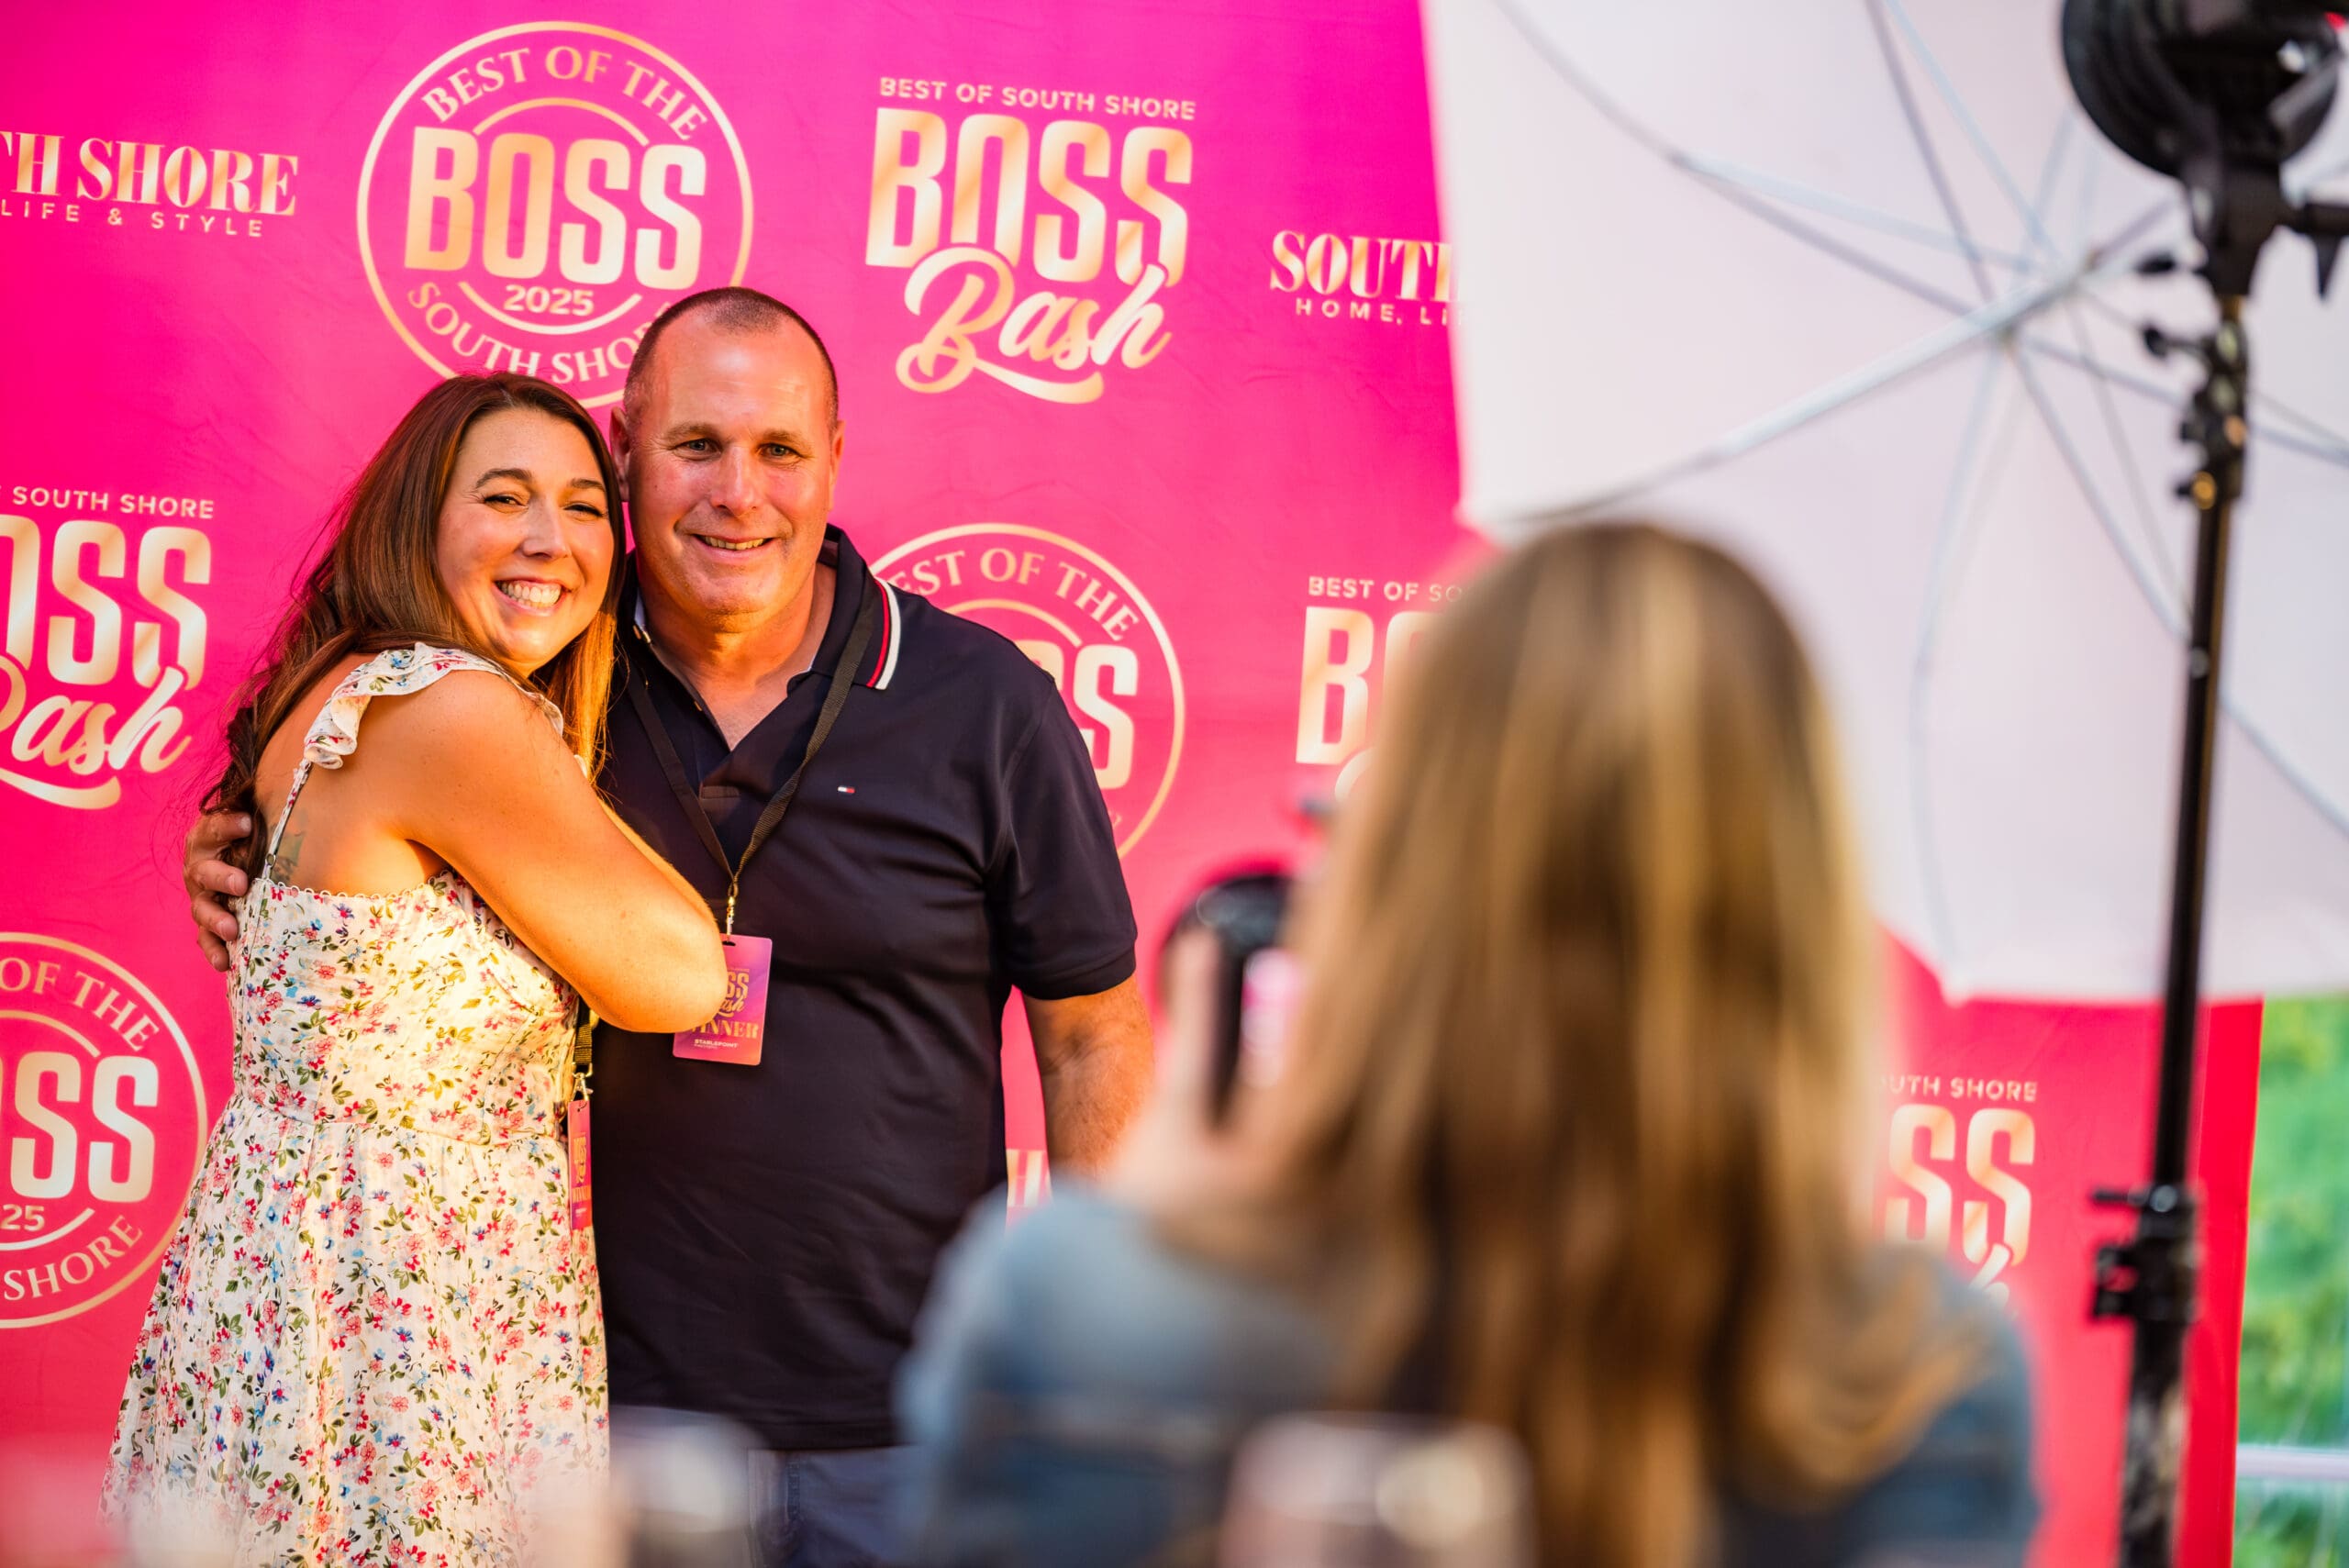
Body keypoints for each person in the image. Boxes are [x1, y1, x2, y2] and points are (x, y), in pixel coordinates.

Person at [184, 288, 1155, 1567]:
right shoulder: (542, 664)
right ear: (629, 449)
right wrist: (249, 847)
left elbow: (1092, 1039)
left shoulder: (986, 703)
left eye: (778, 449)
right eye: (697, 445)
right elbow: (371, 806)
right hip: (598, 1420)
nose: (737, 494)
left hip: (912, 1423)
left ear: (834, 459)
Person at [897, 522, 2040, 1568]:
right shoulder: (1921, 1372)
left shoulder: (1070, 1306)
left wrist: (1151, 1216)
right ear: (1803, 906)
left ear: (1391, 871)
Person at [111, 374, 729, 1562]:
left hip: (293, 1278)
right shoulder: (455, 708)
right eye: (504, 497)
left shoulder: (350, 678)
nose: (550, 537)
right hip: (398, 1300)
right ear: (417, 521)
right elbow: (678, 976)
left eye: (583, 506)